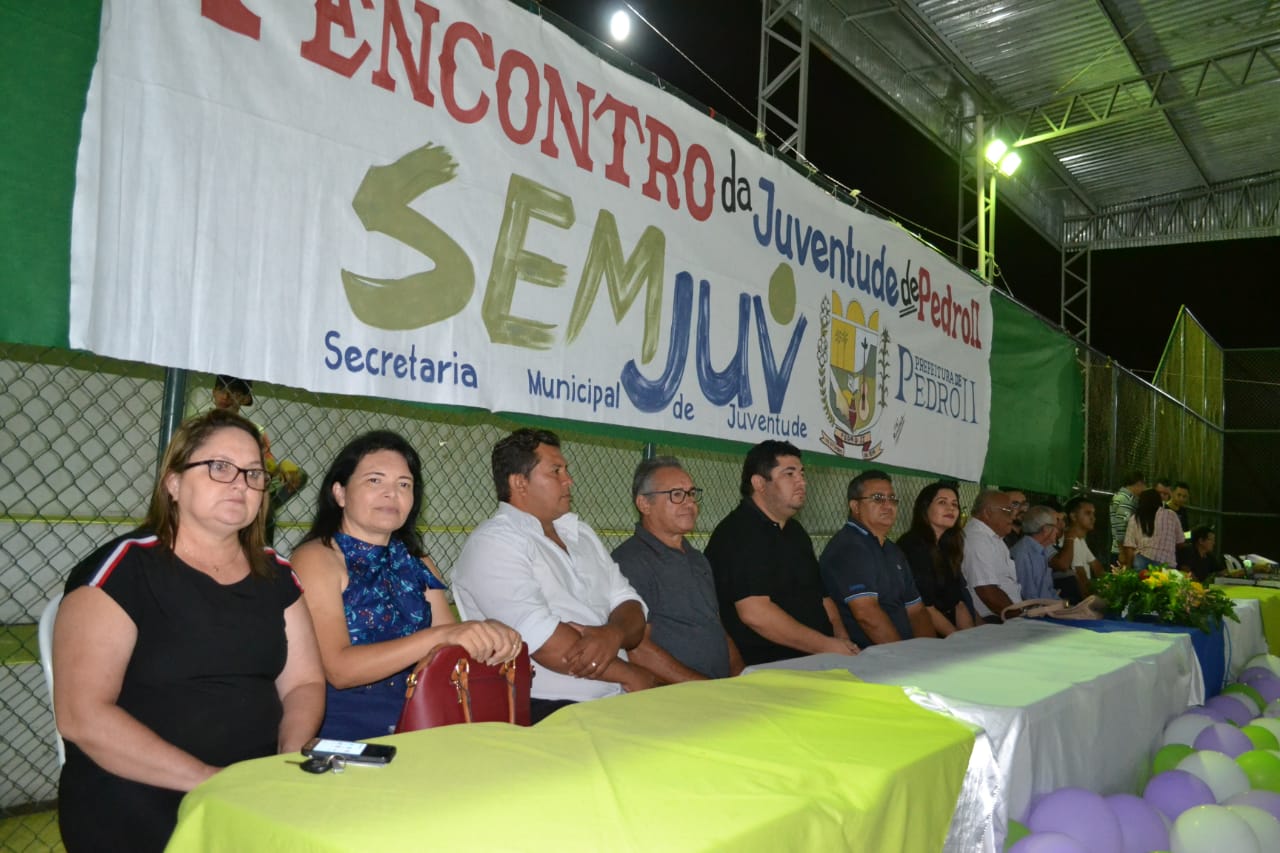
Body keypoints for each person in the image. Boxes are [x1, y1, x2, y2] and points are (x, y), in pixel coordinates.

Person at [53, 409, 326, 852]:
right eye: (219, 467)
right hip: (137, 798)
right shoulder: (124, 570)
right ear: (174, 483)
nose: (240, 482)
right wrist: (213, 783)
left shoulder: (276, 575)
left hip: (252, 792)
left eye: (254, 473)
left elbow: (305, 682)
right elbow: (82, 715)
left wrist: (285, 759)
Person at [291, 431, 521, 741]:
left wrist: (490, 634)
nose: (391, 494)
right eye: (375, 481)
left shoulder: (417, 561)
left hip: (425, 721)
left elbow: (450, 652)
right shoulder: (316, 558)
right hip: (349, 733)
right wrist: (443, 635)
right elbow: (340, 670)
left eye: (404, 485)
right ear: (340, 493)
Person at [452, 429, 659, 723]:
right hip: (544, 708)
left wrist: (612, 634)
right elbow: (546, 644)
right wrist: (633, 675)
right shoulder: (494, 542)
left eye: (566, 470)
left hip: (616, 698)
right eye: (556, 471)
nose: (568, 480)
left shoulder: (580, 534)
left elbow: (631, 607)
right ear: (519, 483)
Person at [705, 440, 858, 665]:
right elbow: (756, 614)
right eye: (789, 474)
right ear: (759, 483)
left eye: (802, 473)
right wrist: (827, 646)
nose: (802, 482)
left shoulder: (796, 532)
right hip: (770, 666)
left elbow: (823, 599)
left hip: (820, 658)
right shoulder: (739, 533)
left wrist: (842, 641)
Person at [612, 457, 744, 680]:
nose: (689, 503)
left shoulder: (698, 559)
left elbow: (716, 628)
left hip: (719, 692)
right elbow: (637, 649)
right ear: (644, 504)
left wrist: (742, 676)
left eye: (691, 493)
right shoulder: (631, 562)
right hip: (674, 699)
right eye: (676, 494)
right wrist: (700, 688)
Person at [819, 470, 935, 647]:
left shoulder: (893, 550)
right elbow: (867, 615)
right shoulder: (850, 547)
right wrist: (906, 658)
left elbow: (917, 610)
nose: (888, 505)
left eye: (892, 499)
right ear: (855, 506)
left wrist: (928, 651)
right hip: (868, 660)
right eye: (878, 498)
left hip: (908, 655)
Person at [211, 374, 306, 543]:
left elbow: (266, 465)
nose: (226, 396)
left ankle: (259, 522)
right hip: (212, 488)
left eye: (234, 392)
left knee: (299, 476)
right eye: (221, 390)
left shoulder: (255, 431)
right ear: (213, 393)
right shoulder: (199, 427)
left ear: (245, 398)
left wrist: (280, 468)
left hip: (247, 487)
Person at [897, 482, 975, 636]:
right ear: (925, 508)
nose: (951, 508)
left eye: (955, 504)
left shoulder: (948, 546)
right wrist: (958, 641)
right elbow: (925, 607)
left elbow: (958, 603)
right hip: (921, 629)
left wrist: (970, 639)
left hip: (948, 630)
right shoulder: (912, 546)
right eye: (942, 502)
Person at [961, 489, 1022, 623]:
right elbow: (987, 592)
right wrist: (1021, 619)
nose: (1013, 516)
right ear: (988, 513)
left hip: (1008, 614)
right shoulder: (977, 539)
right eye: (1008, 511)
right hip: (993, 619)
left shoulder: (994, 537)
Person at [1049, 496, 1107, 600]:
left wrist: (1110, 586)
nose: (1093, 518)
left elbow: (1097, 567)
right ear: (1073, 516)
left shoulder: (1080, 540)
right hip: (1077, 599)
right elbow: (1080, 576)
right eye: (1088, 513)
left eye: (1093, 514)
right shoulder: (1071, 540)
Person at [1010, 506, 1061, 601]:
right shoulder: (1023, 553)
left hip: (1045, 608)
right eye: (1056, 526)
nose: (1058, 531)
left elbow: (1048, 591)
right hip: (1034, 612)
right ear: (1046, 529)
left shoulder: (1042, 550)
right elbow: (1028, 596)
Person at [1123, 488, 1184, 568]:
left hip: (1142, 562)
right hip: (1166, 565)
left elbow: (1130, 547)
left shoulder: (1135, 519)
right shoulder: (1171, 515)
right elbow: (1180, 542)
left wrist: (1128, 567)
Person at [1109, 471, 1146, 562]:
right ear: (1138, 484)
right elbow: (1122, 528)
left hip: (1121, 549)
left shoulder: (1121, 496)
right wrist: (1122, 553)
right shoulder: (1126, 500)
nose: (1144, 488)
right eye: (1143, 485)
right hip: (1122, 551)